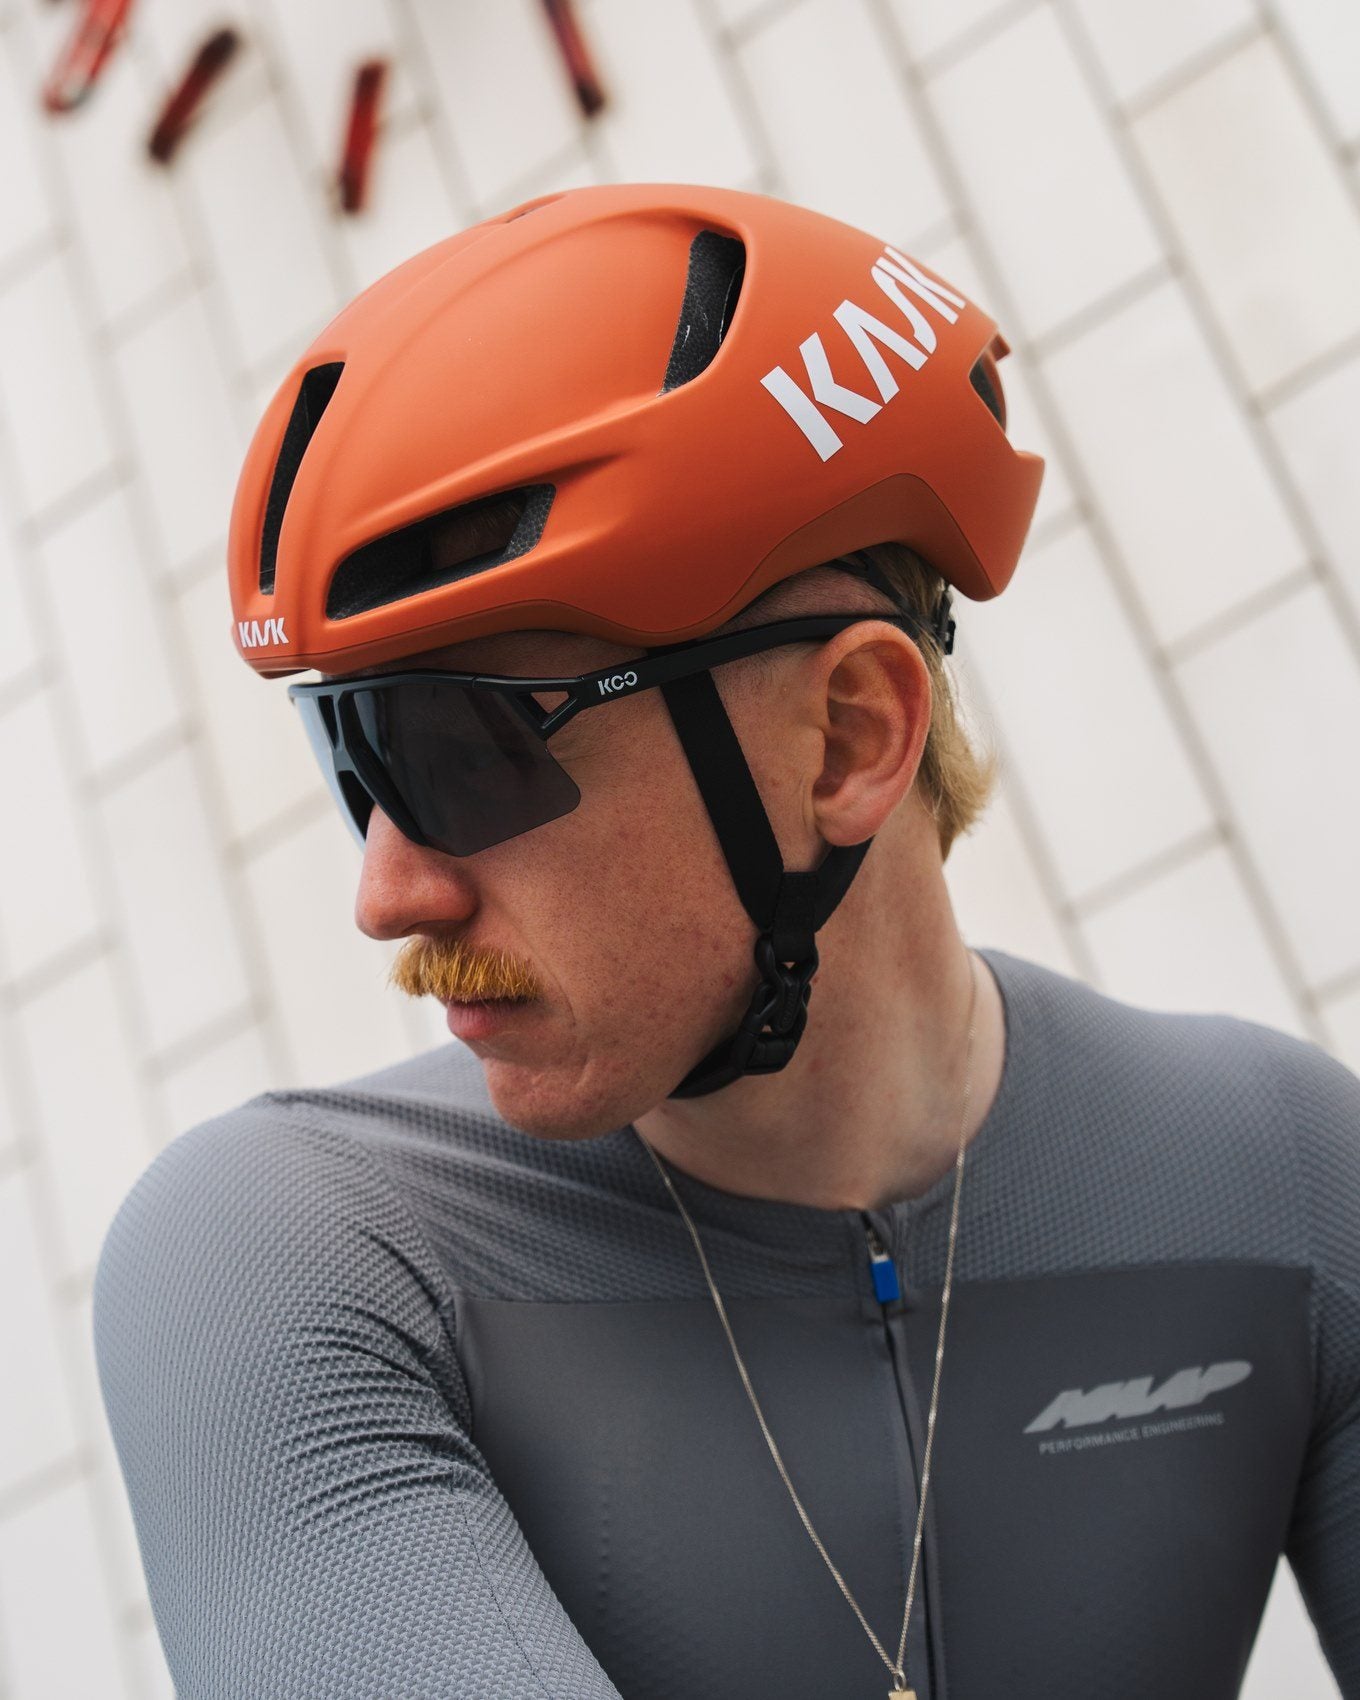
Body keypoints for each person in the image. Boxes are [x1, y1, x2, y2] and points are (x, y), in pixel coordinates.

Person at [92, 183, 1359, 1700]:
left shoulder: (1291, 1177)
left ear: (848, 737)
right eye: (349, 759)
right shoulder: (299, 1257)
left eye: (459, 753)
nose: (388, 891)